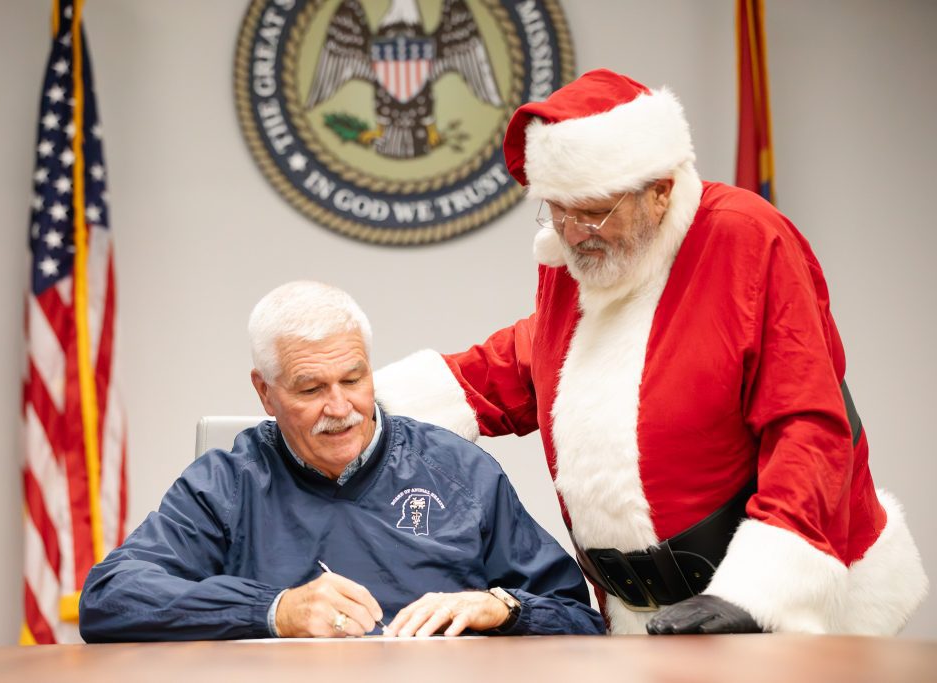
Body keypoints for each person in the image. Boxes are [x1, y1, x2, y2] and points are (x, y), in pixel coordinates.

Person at [373, 69, 928, 636]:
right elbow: (537, 358)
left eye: (594, 211)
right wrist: (362, 403)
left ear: (660, 191)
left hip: (783, 602)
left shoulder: (748, 237)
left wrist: (758, 591)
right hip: (643, 615)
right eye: (557, 210)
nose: (573, 231)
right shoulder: (584, 253)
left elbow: (810, 422)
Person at [78, 281, 605, 641]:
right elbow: (108, 597)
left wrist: (504, 609)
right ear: (265, 394)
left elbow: (578, 616)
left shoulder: (459, 470)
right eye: (309, 388)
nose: (340, 408)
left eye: (353, 380)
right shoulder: (227, 484)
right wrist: (274, 611)